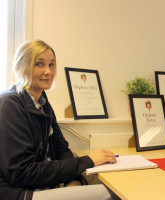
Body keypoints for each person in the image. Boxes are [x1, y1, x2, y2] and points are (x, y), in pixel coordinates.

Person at [0, 40, 119, 200]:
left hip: (43, 186)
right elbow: (21, 173)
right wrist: (88, 161)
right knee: (110, 194)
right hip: (18, 192)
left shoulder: (42, 102)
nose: (48, 71)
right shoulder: (10, 104)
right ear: (21, 66)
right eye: (39, 64)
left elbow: (61, 149)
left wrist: (73, 180)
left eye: (52, 65)